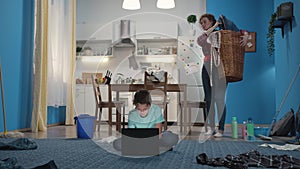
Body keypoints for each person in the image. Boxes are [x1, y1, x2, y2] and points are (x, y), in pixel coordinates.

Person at [197, 14, 248, 137]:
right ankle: (210, 128)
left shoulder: (221, 34)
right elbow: (201, 40)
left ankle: (220, 129)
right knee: (209, 99)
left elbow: (240, 31)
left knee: (219, 99)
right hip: (206, 68)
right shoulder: (204, 36)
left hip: (220, 68)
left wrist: (246, 36)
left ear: (212, 21)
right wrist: (214, 26)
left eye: (204, 22)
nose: (203, 25)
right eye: (201, 23)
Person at [113, 89, 179, 151]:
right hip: (138, 141)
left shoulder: (156, 110)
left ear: (149, 105)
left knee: (171, 139)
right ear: (135, 105)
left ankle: (148, 148)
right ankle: (159, 148)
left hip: (156, 139)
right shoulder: (132, 114)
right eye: (139, 109)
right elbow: (131, 134)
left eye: (144, 109)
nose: (142, 112)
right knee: (117, 144)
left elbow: (159, 133)